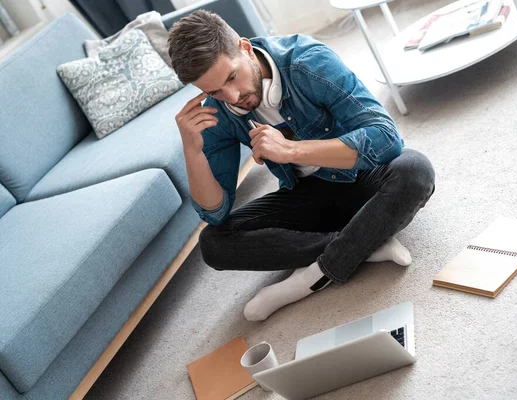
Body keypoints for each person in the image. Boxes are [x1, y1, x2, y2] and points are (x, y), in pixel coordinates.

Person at [167, 10, 435, 321]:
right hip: (309, 197)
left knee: (415, 170)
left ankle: (312, 277)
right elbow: (214, 212)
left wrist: (291, 150)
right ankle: (366, 244)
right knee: (213, 243)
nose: (233, 96)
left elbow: (387, 138)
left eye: (231, 77)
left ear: (245, 48)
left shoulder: (307, 62)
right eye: (214, 91)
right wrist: (192, 150)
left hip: (361, 180)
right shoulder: (217, 111)